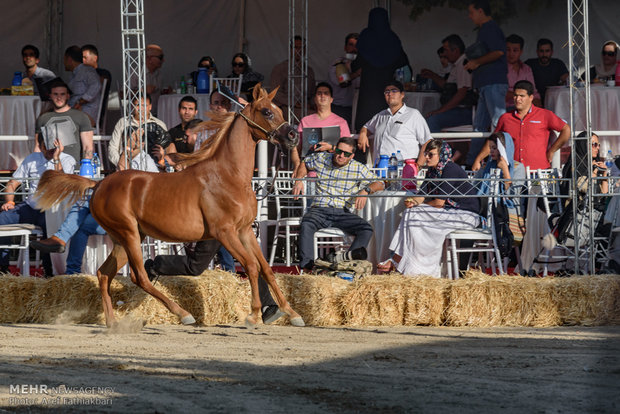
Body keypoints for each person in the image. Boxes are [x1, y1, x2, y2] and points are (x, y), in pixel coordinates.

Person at [31, 127, 159, 274]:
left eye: (135, 140)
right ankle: (71, 270)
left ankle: (62, 242)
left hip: (134, 219)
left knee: (84, 206)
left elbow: (128, 183)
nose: (130, 143)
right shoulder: (124, 157)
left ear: (143, 144)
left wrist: (127, 151)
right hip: (119, 213)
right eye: (126, 141)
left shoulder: (146, 162)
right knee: (82, 216)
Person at [377, 139, 480, 277]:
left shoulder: (450, 169)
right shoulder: (432, 171)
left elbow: (439, 202)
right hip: (450, 212)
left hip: (466, 214)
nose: (426, 157)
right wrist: (413, 201)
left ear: (441, 155)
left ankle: (400, 261)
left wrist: (417, 205)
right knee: (411, 212)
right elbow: (422, 196)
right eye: (426, 154)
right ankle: (405, 263)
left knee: (413, 214)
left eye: (431, 154)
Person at [292, 137, 385, 271]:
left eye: (346, 154)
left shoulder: (357, 167)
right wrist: (299, 180)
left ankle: (345, 265)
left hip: (343, 212)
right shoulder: (322, 158)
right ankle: (308, 269)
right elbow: (305, 163)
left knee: (366, 229)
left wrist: (366, 190)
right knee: (307, 224)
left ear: (352, 156)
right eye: (339, 151)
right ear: (334, 149)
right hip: (320, 209)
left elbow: (380, 183)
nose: (341, 156)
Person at [143, 239, 284, 325]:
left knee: (250, 262)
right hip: (215, 226)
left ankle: (267, 305)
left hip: (227, 225)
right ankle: (155, 266)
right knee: (195, 267)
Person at [0, 136, 75, 275]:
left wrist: (56, 158)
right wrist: (9, 202)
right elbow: (12, 184)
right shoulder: (32, 158)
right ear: (40, 146)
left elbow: (64, 182)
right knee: (2, 219)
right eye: (45, 147)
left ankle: (49, 272)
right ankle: (2, 269)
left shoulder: (67, 159)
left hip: (51, 209)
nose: (49, 150)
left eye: (52, 147)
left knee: (50, 231)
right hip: (29, 207)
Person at [471, 80, 570, 171]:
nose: (518, 99)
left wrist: (552, 150)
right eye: (515, 95)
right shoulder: (505, 118)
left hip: (538, 171)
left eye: (522, 96)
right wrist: (478, 159)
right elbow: (493, 141)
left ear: (531, 97)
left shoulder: (545, 115)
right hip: (512, 171)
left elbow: (566, 129)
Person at [352, 8, 410, 139]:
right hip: (387, 89)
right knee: (385, 125)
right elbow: (403, 61)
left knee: (365, 126)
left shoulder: (366, 37)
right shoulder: (392, 39)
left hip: (368, 90)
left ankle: (364, 156)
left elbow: (356, 64)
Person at [464, 0, 509, 168]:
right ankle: (471, 162)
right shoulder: (485, 29)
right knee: (479, 126)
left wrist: (476, 62)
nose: (470, 16)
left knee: (499, 121)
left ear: (480, 11)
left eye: (472, 12)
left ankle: (505, 158)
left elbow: (498, 52)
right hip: (486, 83)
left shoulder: (490, 28)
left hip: (493, 81)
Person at [358, 80, 432, 166]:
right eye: (387, 92)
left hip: (404, 170)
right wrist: (363, 133)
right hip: (380, 168)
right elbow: (367, 127)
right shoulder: (381, 115)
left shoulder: (413, 114)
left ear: (402, 94)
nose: (390, 94)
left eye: (394, 91)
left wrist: (418, 166)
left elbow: (427, 142)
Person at [291, 82, 351, 170]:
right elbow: (295, 148)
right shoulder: (305, 121)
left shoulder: (341, 122)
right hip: (310, 169)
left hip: (334, 170)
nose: (322, 95)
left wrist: (331, 147)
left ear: (331, 99)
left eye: (326, 93)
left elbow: (347, 152)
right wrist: (297, 165)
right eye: (319, 93)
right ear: (315, 99)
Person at [34, 79, 94, 164]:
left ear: (68, 96)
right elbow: (37, 147)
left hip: (73, 169)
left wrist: (86, 168)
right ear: (50, 96)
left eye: (62, 94)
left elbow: (88, 147)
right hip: (48, 168)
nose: (59, 97)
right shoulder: (43, 118)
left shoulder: (81, 116)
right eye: (55, 94)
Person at [424, 34, 474, 132]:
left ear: (455, 50)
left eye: (446, 50)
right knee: (428, 116)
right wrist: (432, 75)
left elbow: (462, 93)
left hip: (463, 111)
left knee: (432, 120)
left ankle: (436, 147)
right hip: (456, 109)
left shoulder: (463, 64)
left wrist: (440, 111)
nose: (444, 54)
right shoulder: (456, 65)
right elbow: (447, 86)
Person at [108, 94, 170, 169]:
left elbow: (167, 150)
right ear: (132, 106)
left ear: (150, 107)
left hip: (153, 169)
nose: (140, 109)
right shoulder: (123, 122)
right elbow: (113, 148)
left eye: (144, 105)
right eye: (137, 105)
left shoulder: (159, 124)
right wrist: (121, 164)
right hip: (126, 168)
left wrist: (162, 158)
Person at [270, 35, 316, 117]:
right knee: (311, 116)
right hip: (284, 107)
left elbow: (313, 93)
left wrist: (313, 104)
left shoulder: (309, 71)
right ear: (290, 50)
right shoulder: (280, 69)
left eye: (302, 48)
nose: (299, 50)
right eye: (296, 47)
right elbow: (275, 93)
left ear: (305, 50)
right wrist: (295, 103)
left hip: (306, 107)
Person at [560, 131, 609, 196]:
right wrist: (594, 170)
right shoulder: (575, 164)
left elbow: (604, 193)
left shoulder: (595, 162)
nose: (598, 148)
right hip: (579, 204)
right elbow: (588, 189)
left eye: (599, 145)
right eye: (594, 144)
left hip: (596, 204)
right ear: (584, 145)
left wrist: (604, 174)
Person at [327, 33, 360, 125]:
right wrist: (357, 74)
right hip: (339, 108)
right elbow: (342, 82)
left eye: (357, 46)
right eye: (351, 45)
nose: (354, 49)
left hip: (357, 109)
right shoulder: (338, 64)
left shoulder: (362, 64)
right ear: (345, 47)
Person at [64, 45, 102, 125]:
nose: (64, 63)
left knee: (56, 118)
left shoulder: (87, 70)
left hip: (86, 113)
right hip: (73, 111)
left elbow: (96, 85)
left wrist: (80, 102)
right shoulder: (73, 74)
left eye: (64, 60)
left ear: (69, 59)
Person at [525, 39, 569, 104]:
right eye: (541, 51)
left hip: (553, 100)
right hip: (534, 100)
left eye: (547, 51)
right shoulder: (529, 64)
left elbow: (567, 79)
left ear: (552, 52)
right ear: (537, 52)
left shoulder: (558, 64)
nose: (544, 54)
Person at [505, 34, 541, 110]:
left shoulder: (526, 69)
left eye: (515, 50)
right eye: (508, 50)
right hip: (505, 108)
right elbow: (500, 93)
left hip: (525, 108)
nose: (511, 54)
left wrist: (537, 102)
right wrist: (520, 96)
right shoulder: (500, 69)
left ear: (521, 52)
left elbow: (533, 91)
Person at [81, 44, 112, 126]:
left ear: (95, 58)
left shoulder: (103, 73)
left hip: (93, 115)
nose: (82, 61)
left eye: (85, 58)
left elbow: (97, 84)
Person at [131, 44, 164, 115]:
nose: (163, 60)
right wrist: (143, 91)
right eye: (160, 57)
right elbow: (123, 94)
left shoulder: (159, 73)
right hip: (139, 116)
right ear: (149, 58)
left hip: (157, 114)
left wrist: (165, 92)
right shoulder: (136, 73)